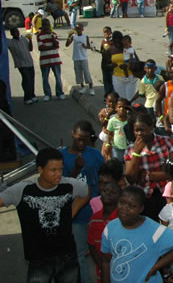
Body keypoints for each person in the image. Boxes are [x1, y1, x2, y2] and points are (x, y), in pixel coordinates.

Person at [0, 147, 89, 283]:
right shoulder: (23, 189)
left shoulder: (69, 185)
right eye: (53, 170)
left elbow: (86, 192)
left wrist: (72, 211)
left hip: (67, 256)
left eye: (60, 169)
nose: (58, 174)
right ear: (40, 170)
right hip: (38, 259)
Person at [100, 186, 173, 283]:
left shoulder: (154, 231)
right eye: (122, 203)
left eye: (131, 206)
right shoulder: (110, 228)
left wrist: (156, 266)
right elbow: (106, 261)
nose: (124, 208)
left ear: (141, 209)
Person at [61, 120, 105, 283]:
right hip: (77, 215)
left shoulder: (94, 154)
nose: (82, 143)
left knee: (101, 251)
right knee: (80, 253)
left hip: (97, 214)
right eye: (79, 138)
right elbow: (62, 187)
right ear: (72, 134)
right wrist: (76, 170)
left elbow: (104, 178)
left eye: (85, 139)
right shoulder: (63, 156)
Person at [124, 112, 173, 220]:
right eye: (136, 130)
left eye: (142, 130)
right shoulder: (130, 150)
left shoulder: (167, 142)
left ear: (151, 127)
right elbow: (130, 178)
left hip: (166, 194)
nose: (139, 134)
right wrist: (136, 153)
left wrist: (148, 176)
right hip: (144, 197)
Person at [7, 27, 37, 104]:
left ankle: (32, 95)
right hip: (21, 64)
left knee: (31, 79)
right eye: (15, 32)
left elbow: (30, 49)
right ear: (12, 34)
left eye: (17, 31)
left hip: (29, 62)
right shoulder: (11, 42)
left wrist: (30, 40)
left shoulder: (23, 39)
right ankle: (27, 97)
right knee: (26, 79)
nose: (17, 33)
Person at [37, 18, 65, 101]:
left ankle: (59, 93)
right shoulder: (39, 35)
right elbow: (41, 48)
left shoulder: (54, 34)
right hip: (44, 60)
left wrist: (52, 38)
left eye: (48, 25)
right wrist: (51, 46)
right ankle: (47, 94)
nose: (47, 27)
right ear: (42, 26)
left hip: (55, 59)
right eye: (45, 25)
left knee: (58, 77)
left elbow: (56, 45)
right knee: (45, 78)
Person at [66, 23, 95, 95]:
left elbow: (89, 47)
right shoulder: (74, 37)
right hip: (76, 57)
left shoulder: (85, 37)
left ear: (82, 29)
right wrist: (69, 37)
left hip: (83, 57)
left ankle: (91, 88)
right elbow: (67, 44)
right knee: (78, 73)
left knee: (86, 73)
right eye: (76, 28)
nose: (78, 30)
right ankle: (82, 87)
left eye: (79, 28)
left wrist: (85, 46)